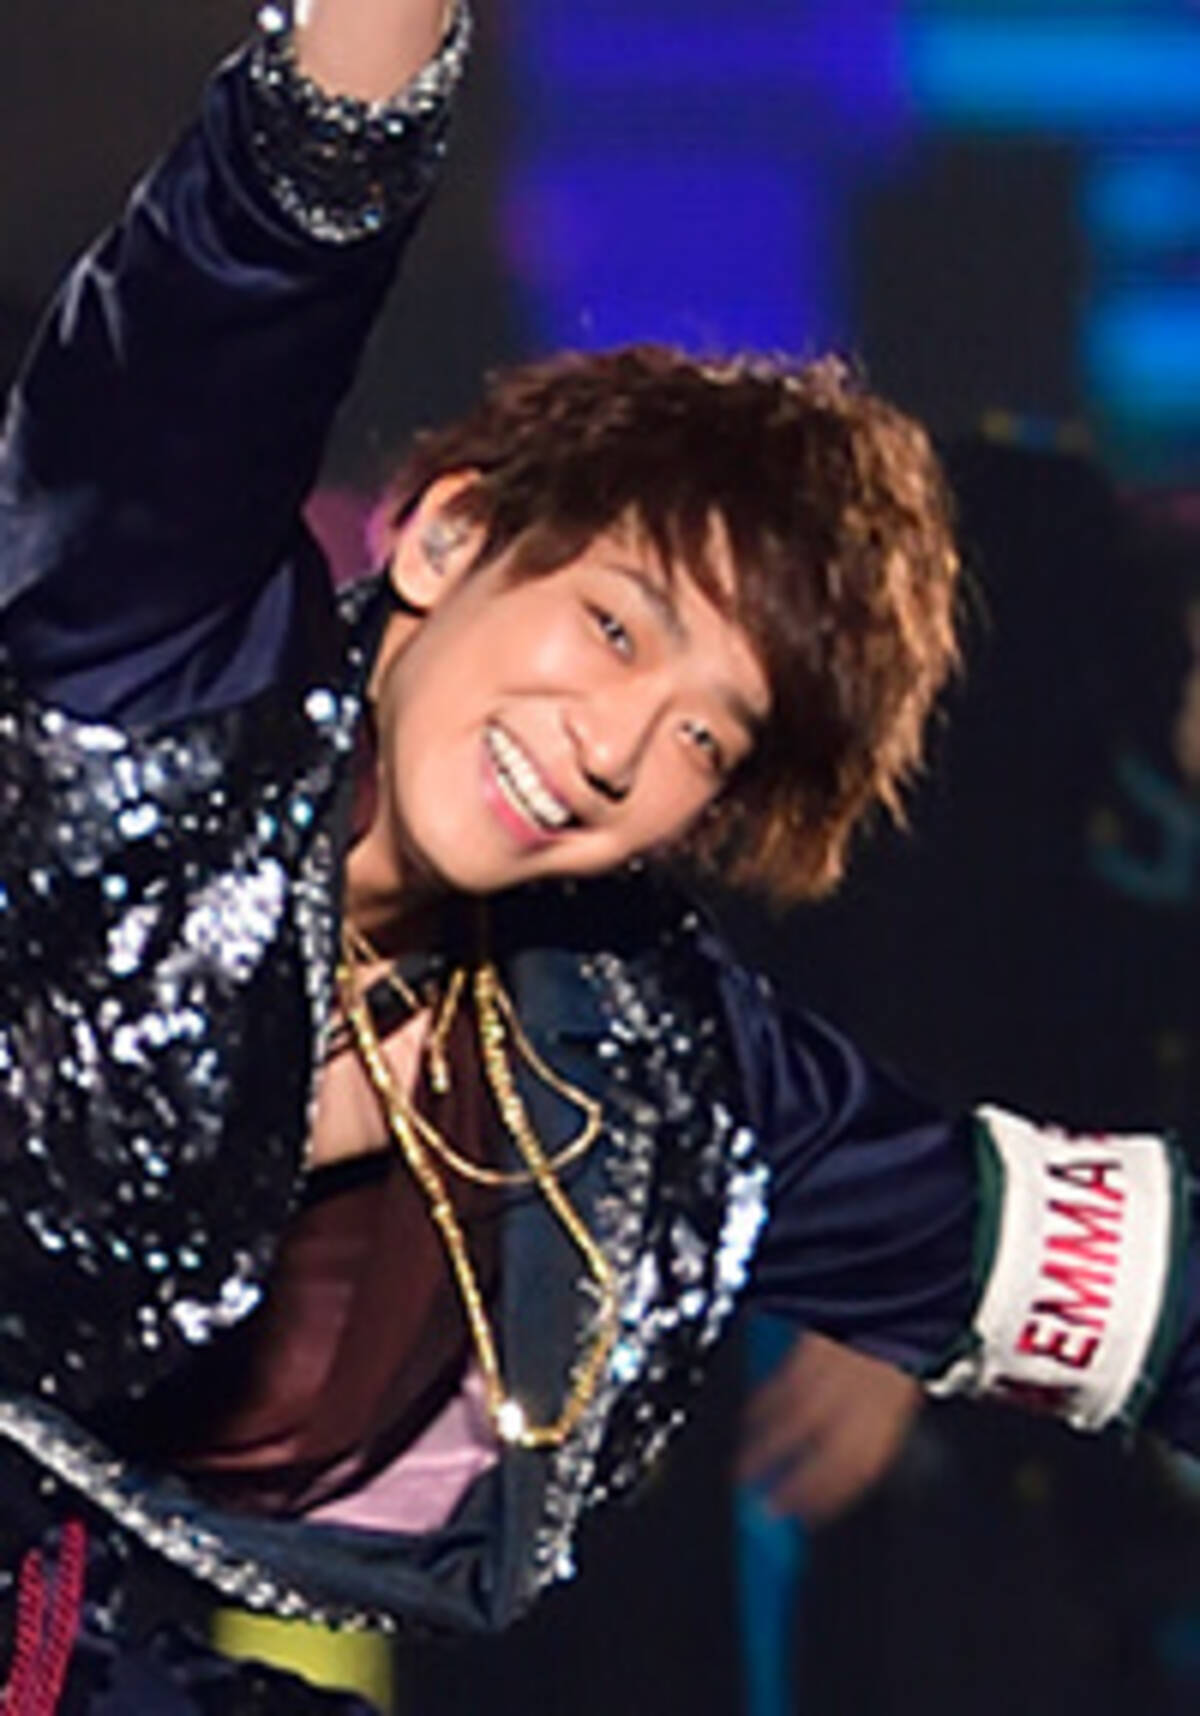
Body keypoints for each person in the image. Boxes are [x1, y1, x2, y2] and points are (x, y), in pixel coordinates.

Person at [0, 0, 1196, 1709]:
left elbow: (1121, 1286)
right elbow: (270, 233)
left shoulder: (635, 1063)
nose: (619, 744)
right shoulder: (150, 652)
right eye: (620, 628)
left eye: (708, 737)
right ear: (451, 535)